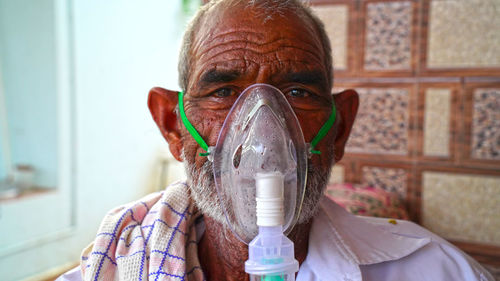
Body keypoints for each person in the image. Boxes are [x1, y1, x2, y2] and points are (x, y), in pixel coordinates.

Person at [59, 0, 494, 280]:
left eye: (298, 92)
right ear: (174, 126)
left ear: (339, 127)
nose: (264, 138)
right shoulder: (109, 268)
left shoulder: (436, 271)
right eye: (223, 91)